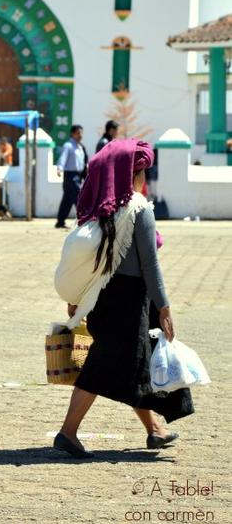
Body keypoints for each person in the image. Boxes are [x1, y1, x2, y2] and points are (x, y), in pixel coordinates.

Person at [53, 139, 194, 459]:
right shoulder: (138, 208)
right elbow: (149, 264)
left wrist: (79, 298)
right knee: (104, 365)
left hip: (102, 296)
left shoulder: (96, 209)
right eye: (144, 171)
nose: (146, 178)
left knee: (135, 363)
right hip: (130, 301)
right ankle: (68, 431)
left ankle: (154, 429)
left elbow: (88, 261)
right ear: (134, 174)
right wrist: (165, 307)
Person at [55, 125, 88, 229]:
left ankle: (60, 221)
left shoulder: (80, 147)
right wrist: (60, 168)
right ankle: (84, 219)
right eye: (78, 133)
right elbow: (63, 158)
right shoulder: (68, 145)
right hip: (70, 175)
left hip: (78, 175)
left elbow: (82, 161)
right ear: (72, 134)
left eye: (81, 133)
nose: (80, 135)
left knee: (67, 200)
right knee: (79, 196)